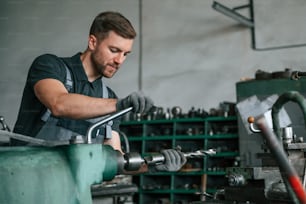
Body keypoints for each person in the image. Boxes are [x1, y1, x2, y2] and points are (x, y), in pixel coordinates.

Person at [12, 11, 186, 172]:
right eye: (114, 50)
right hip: (26, 182)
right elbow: (59, 103)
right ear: (93, 42)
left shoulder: (108, 97)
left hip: (72, 191)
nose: (119, 61)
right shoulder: (50, 66)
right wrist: (119, 105)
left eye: (126, 54)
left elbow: (118, 162)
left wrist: (154, 164)